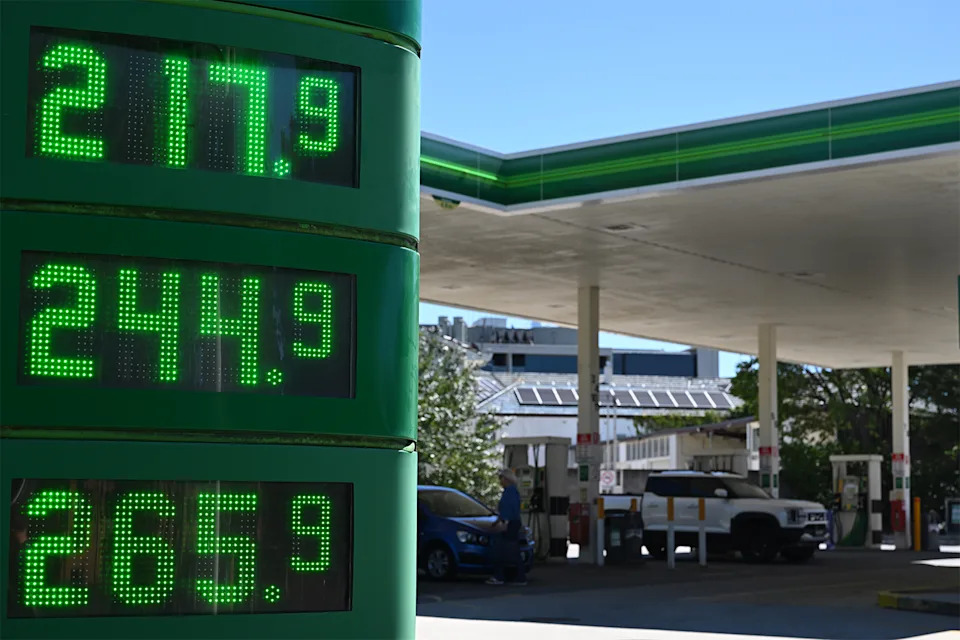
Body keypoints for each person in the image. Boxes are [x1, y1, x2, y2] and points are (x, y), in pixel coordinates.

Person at [486, 468, 526, 585]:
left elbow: (508, 510)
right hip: (513, 523)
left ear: (506, 479)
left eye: (501, 479)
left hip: (509, 524)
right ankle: (518, 576)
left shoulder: (509, 492)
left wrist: (503, 523)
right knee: (512, 551)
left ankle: (500, 576)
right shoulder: (513, 492)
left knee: (501, 549)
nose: (500, 481)